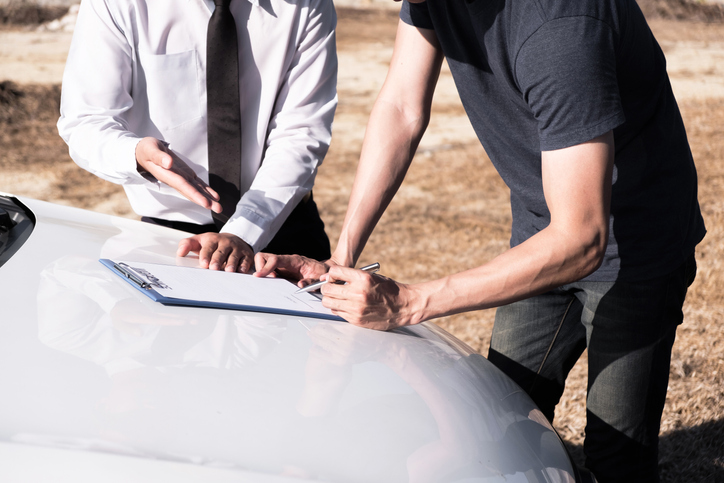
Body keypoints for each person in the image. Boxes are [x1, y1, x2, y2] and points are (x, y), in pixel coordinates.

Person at [254, 0, 706, 481]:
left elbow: (581, 238)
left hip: (635, 247)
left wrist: (410, 302)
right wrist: (341, 257)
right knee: (498, 421)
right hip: (542, 232)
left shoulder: (560, 29)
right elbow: (402, 108)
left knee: (616, 456)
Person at [58, 0, 337, 273]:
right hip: (173, 241)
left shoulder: (307, 5)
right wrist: (135, 154)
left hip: (283, 228)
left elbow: (300, 134)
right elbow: (87, 119)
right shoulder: (117, 4)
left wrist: (244, 230)